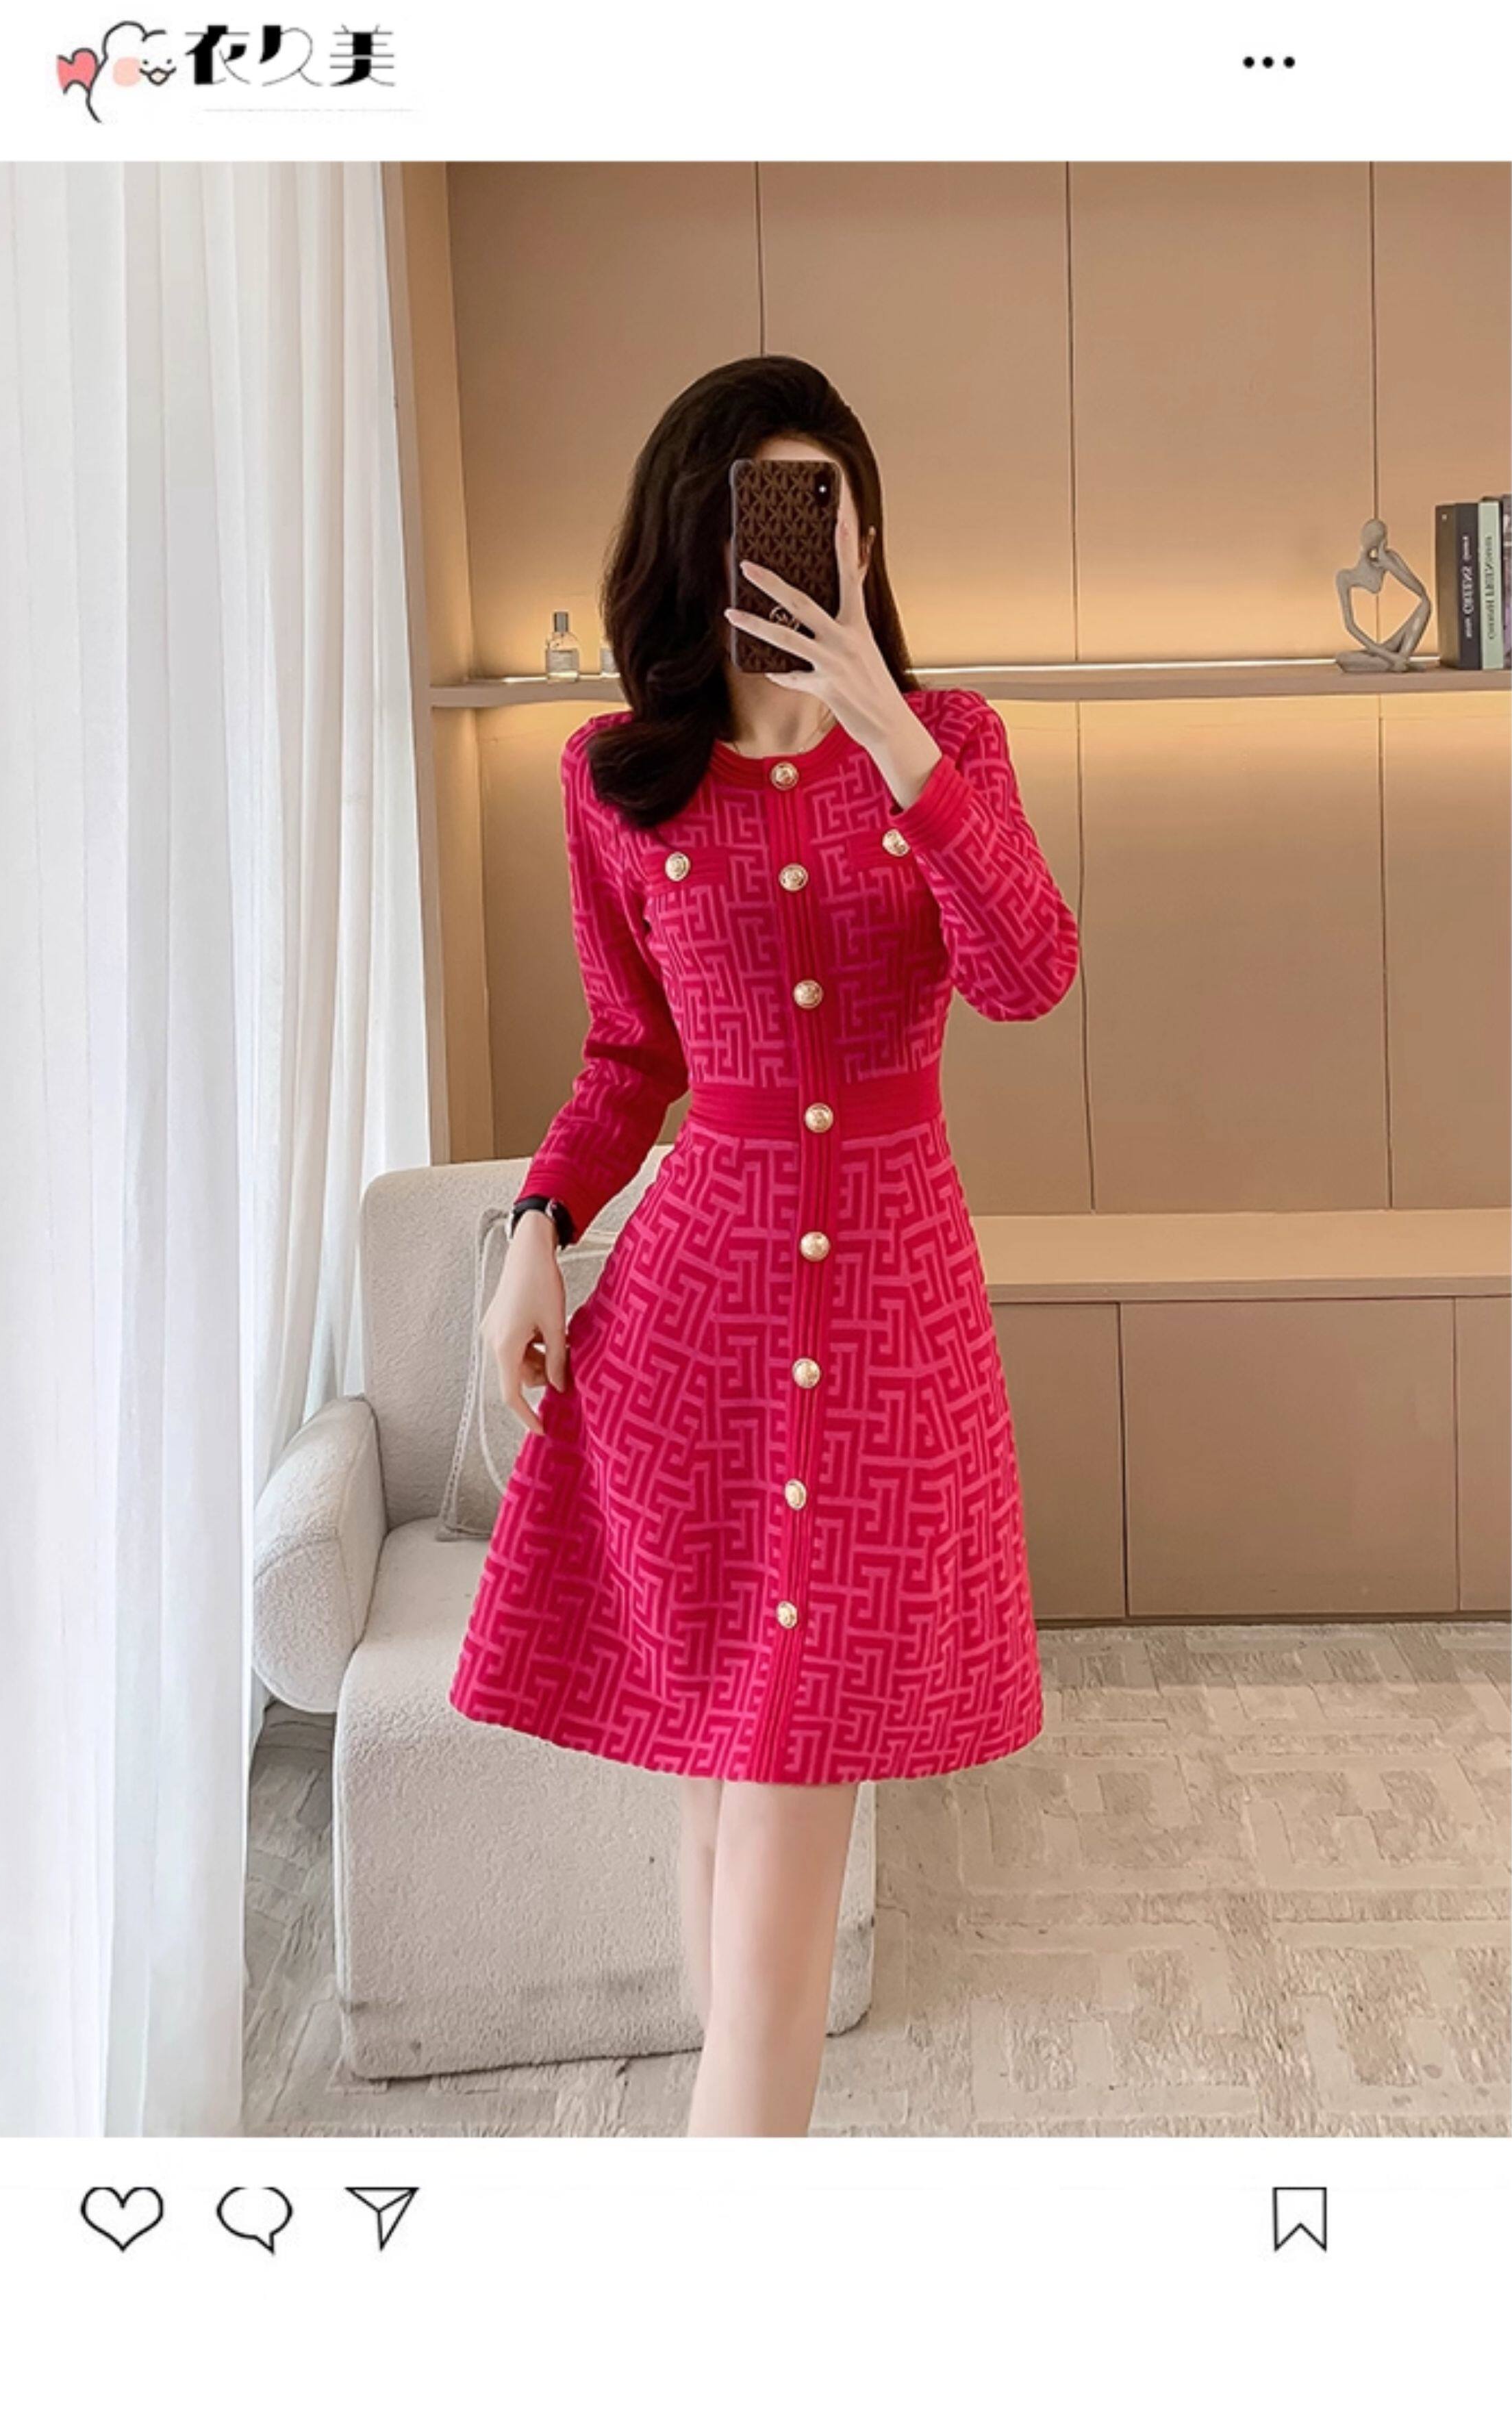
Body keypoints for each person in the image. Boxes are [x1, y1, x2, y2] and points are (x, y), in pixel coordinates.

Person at [449, 353, 1080, 2135]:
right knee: (718, 1824)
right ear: (693, 540)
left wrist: (887, 726)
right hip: (686, 1348)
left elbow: (1029, 972)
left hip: (888, 1341)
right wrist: (535, 1230)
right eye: (762, 518)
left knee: (781, 1888)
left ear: (865, 538)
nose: (803, 549)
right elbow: (626, 1059)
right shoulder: (615, 779)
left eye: (830, 514)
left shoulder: (950, 745)